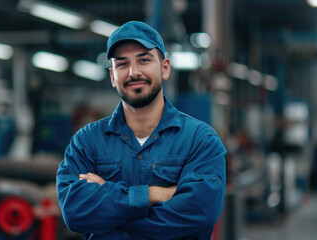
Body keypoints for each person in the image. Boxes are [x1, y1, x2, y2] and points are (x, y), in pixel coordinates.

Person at [56, 21, 227, 239]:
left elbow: (200, 211)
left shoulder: (200, 140)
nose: (134, 72)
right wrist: (154, 194)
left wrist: (110, 212)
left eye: (144, 60)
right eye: (122, 64)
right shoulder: (87, 142)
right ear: (112, 76)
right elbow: (74, 211)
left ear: (164, 68)